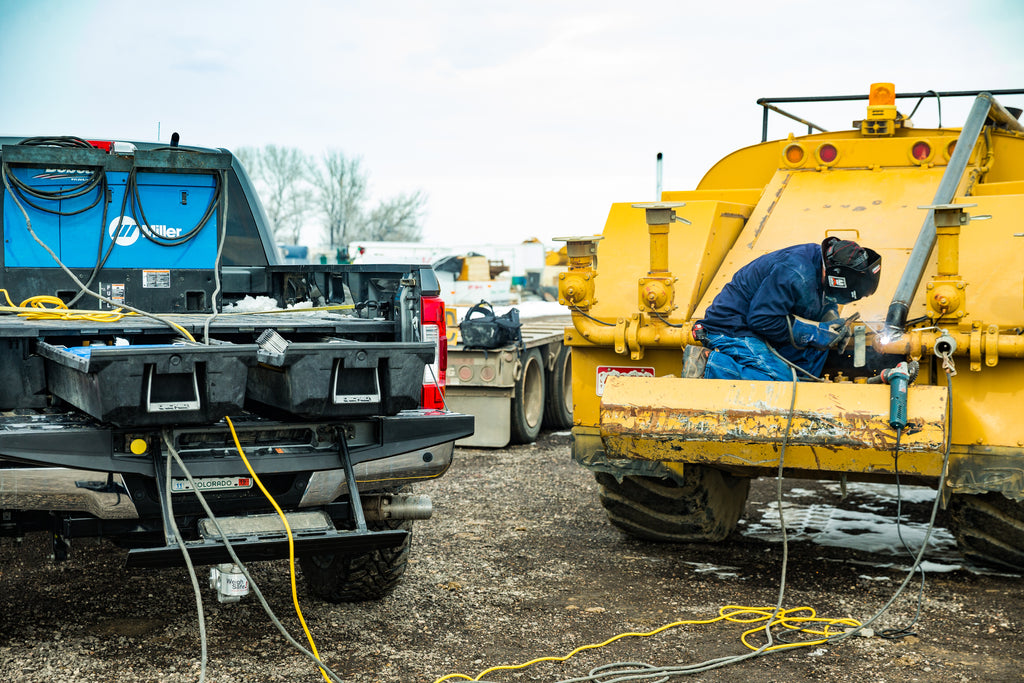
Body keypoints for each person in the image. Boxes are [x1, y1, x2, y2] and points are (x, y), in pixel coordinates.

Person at [692, 237, 881, 381]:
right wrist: (816, 333)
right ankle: (709, 365)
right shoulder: (795, 273)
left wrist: (830, 322)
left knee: (815, 351)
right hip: (733, 328)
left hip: (761, 328)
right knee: (784, 383)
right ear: (837, 277)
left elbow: (825, 297)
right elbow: (761, 320)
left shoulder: (825, 265)